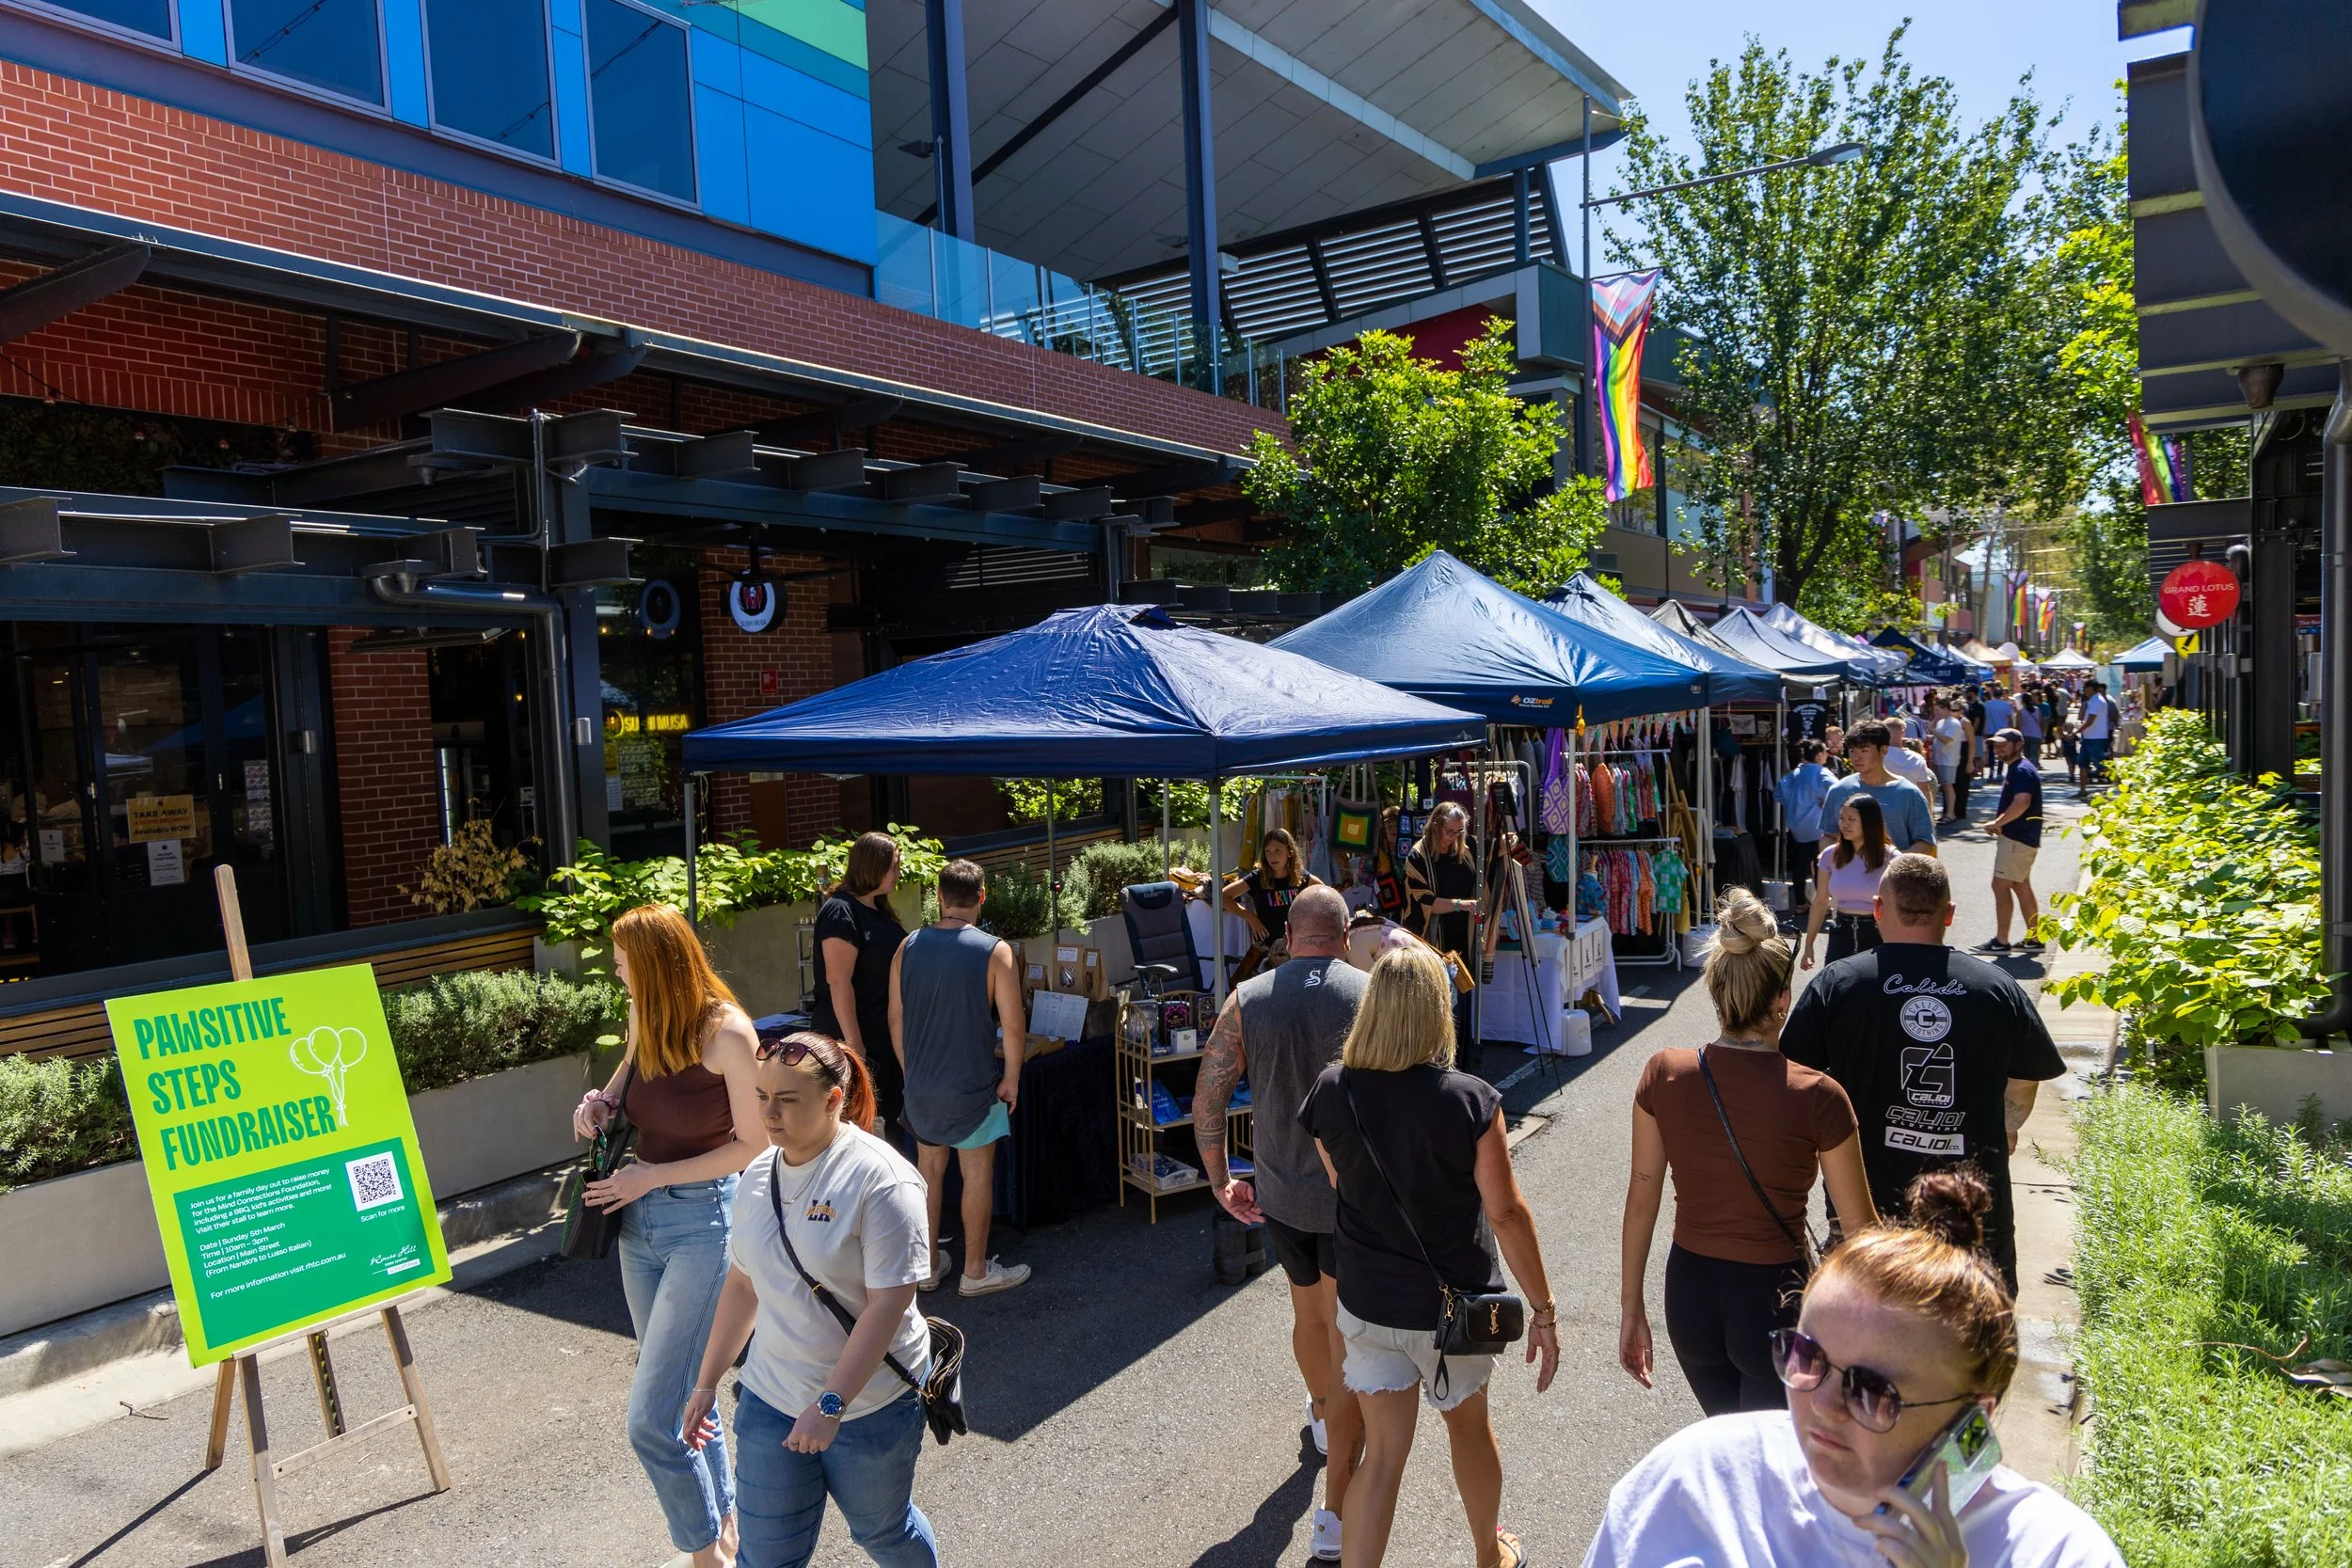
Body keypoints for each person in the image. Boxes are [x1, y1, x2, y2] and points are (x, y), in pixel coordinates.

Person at [1581, 1168, 2125, 1568]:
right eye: (1808, 1358)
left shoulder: (2056, 1551)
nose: (1821, 1404)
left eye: (1872, 1390)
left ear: (1971, 1417)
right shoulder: (1695, 1475)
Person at [1299, 943, 1561, 1568]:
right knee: (1468, 1427)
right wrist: (1544, 1307)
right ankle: (1487, 1553)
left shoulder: (1333, 1090)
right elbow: (1505, 1212)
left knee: (1383, 1455)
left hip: (1367, 1300)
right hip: (1453, 1306)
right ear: (1435, 1011)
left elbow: (1342, 1182)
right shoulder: (1469, 1099)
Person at [682, 1032, 940, 1568]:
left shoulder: (883, 1181)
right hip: (771, 1401)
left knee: (883, 1535)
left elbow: (886, 1306)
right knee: (766, 1560)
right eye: (761, 1098)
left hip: (869, 1407)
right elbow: (742, 1284)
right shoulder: (756, 1176)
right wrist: (706, 1381)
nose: (768, 1114)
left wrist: (830, 1406)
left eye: (787, 1099)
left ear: (833, 1100)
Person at [1618, 891, 1878, 1417]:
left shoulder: (1664, 1073)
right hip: (1774, 1299)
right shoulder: (1819, 1096)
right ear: (1783, 999)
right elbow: (1862, 1231)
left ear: (1716, 988)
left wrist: (1631, 1308)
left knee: (1726, 1453)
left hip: (1689, 1295)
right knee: (1771, 1469)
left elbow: (1642, 1198)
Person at [575, 904, 767, 1568]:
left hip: (703, 1223)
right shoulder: (646, 1016)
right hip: (639, 1223)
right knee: (688, 1391)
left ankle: (704, 1552)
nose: (617, 968)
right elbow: (624, 1082)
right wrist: (596, 1104)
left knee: (651, 1421)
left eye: (623, 958)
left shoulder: (728, 1034)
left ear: (655, 963)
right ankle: (730, 1521)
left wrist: (652, 1176)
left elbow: (752, 1144)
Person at [1780, 855, 2068, 1292]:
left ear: (1878, 908)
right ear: (1949, 915)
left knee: (1864, 1339)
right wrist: (2007, 1126)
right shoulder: (1996, 988)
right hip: (1971, 1210)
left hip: (1865, 1209)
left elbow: (1794, 1080)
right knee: (1971, 1338)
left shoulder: (1838, 984)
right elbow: (2026, 1078)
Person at [1197, 885, 1367, 1563]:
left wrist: (1218, 1178)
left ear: (1289, 934)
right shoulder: (1372, 991)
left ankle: (1325, 1412)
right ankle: (1341, 1444)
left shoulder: (1250, 998)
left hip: (1281, 1190)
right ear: (1345, 933)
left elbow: (1211, 1089)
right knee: (1346, 1324)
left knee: (1308, 1313)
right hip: (1353, 1193)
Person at [887, 858, 1030, 1298]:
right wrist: (1012, 1078)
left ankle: (928, 1266)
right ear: (982, 898)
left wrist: (913, 1072)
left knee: (927, 1174)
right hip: (973, 1086)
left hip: (923, 1087)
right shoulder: (995, 950)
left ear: (939, 897)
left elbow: (895, 1019)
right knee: (977, 1175)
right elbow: (1014, 1022)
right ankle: (975, 1271)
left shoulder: (907, 946)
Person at [813, 832, 910, 1135]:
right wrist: (856, 1047)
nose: (898, 872)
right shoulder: (840, 910)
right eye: (894, 865)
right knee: (854, 1131)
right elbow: (838, 981)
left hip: (883, 1039)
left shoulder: (878, 910)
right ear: (874, 866)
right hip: (855, 1044)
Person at [1402, 800, 1482, 1051]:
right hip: (1432, 942)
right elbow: (1424, 901)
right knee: (1438, 1002)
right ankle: (1436, 1056)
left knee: (1463, 1002)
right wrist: (1461, 904)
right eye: (1450, 832)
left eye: (1460, 832)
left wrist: (1508, 841)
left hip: (1462, 941)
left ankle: (1463, 1057)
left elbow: (1492, 856)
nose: (1455, 838)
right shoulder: (1417, 857)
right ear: (1436, 827)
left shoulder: (1465, 851)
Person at [1821, 721, 1936, 856]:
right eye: (1852, 751)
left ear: (1883, 750)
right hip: (1849, 875)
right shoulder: (1838, 790)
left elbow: (1926, 844)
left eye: (1864, 750)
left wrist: (1892, 862)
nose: (1856, 757)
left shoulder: (1909, 793)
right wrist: (1831, 862)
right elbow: (1828, 836)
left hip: (1894, 874)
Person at [1801, 796, 1889, 970]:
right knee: (1836, 990)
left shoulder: (1891, 857)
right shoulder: (1830, 855)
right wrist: (1808, 945)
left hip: (1877, 933)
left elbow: (1897, 906)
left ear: (1869, 822)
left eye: (1851, 819)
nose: (1844, 824)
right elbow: (1820, 901)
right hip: (1841, 931)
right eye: (1842, 818)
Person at [1222, 827, 1325, 977]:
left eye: (1278, 850)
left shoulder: (1300, 876)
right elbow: (1224, 897)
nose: (1272, 856)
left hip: (1295, 949)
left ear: (1290, 852)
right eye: (1268, 851)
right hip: (1266, 951)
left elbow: (1325, 894)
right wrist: (1251, 918)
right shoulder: (1258, 877)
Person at [1979, 729, 2044, 956]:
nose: (1998, 749)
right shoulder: (2019, 769)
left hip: (2018, 839)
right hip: (2021, 838)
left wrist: (1998, 822)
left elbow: (2022, 802)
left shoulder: (2021, 771)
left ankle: (2001, 941)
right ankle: (2034, 939)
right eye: (1995, 745)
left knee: (2000, 885)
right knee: (2020, 885)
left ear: (2019, 745)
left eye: (2003, 745)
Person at [1773, 741, 1836, 916]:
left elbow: (1778, 792)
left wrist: (1791, 804)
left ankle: (1800, 903)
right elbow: (1837, 789)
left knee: (1800, 866)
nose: (1827, 755)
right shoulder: (1821, 772)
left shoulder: (1794, 773)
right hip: (1817, 826)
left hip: (1796, 826)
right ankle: (1821, 903)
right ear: (1818, 755)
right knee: (1821, 866)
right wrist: (1826, 801)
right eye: (1825, 752)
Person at [1929, 697, 1967, 825]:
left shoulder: (1953, 723)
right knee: (1944, 787)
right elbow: (1938, 738)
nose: (1936, 713)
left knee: (1948, 786)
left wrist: (1932, 730)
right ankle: (1947, 813)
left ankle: (1950, 814)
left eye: (1938, 710)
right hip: (1939, 759)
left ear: (1946, 709)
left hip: (1948, 760)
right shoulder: (1942, 722)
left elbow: (1947, 739)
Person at [2076, 681, 2115, 789]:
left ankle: (2122, 782)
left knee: (2101, 765)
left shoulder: (2097, 701)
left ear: (2091, 689)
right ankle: (2082, 790)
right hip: (2089, 737)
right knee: (2082, 764)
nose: (2083, 691)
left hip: (2096, 738)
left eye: (2085, 688)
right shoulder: (2092, 701)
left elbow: (2090, 721)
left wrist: (2077, 731)